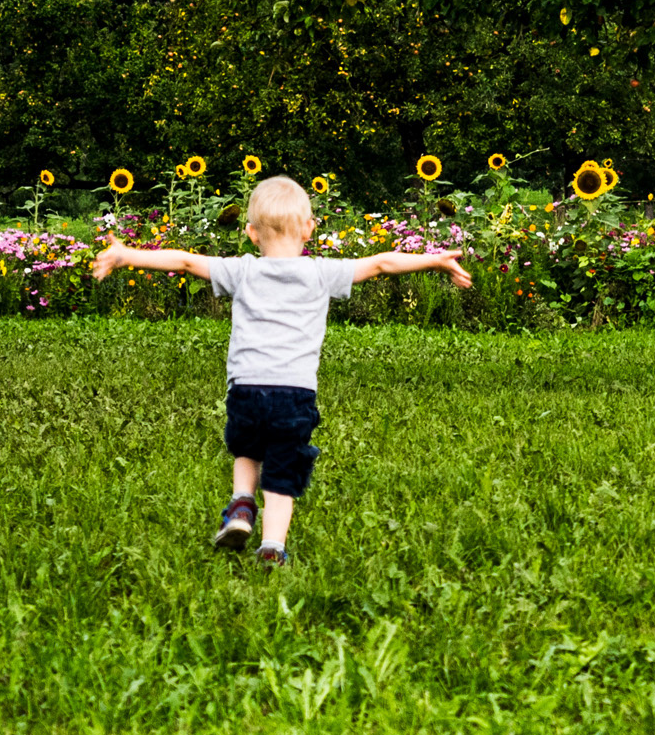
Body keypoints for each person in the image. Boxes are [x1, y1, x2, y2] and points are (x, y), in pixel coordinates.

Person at [91, 173, 472, 565]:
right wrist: (435, 260)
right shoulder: (322, 272)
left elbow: (186, 262)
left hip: (246, 388)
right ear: (309, 229)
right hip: (295, 393)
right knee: (282, 472)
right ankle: (272, 546)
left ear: (252, 234)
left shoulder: (242, 271)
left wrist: (126, 255)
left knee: (246, 448)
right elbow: (381, 263)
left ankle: (241, 505)